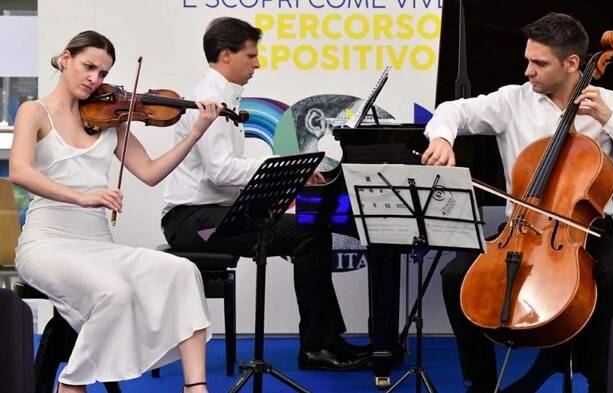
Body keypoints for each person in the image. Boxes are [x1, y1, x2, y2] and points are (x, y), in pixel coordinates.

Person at [421, 12, 613, 393]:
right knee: (456, 277)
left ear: (573, 64)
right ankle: (481, 382)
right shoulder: (512, 101)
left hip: (589, 228)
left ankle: (602, 379)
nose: (528, 71)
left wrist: (609, 121)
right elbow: (453, 110)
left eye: (539, 63)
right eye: (528, 60)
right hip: (520, 226)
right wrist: (441, 138)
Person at [10, 31, 224, 393]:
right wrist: (81, 197)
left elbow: (151, 173)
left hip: (98, 246)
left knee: (183, 271)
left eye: (103, 73)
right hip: (47, 243)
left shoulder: (111, 119)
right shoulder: (34, 111)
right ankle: (72, 384)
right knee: (115, 293)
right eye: (88, 66)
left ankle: (195, 387)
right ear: (65, 59)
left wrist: (196, 132)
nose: (95, 78)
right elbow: (20, 172)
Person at [160, 17, 370, 371]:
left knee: (309, 227)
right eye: (251, 55)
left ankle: (326, 341)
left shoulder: (225, 98)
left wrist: (282, 185)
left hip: (212, 212)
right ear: (226, 55)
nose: (257, 63)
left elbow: (226, 176)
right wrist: (286, 169)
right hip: (191, 220)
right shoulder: (208, 101)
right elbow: (221, 171)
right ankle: (319, 347)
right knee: (307, 232)